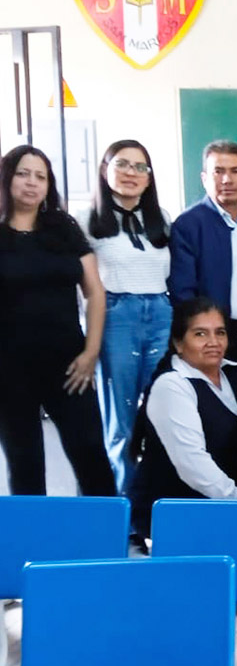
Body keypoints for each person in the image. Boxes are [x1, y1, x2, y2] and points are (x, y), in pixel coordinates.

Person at [0, 145, 115, 496]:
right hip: (9, 368)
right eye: (23, 173)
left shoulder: (63, 228)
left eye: (41, 176)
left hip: (70, 365)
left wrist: (91, 352)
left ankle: (107, 540)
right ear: (7, 179)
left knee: (90, 452)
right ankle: (33, 546)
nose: (32, 183)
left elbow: (94, 292)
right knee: (25, 461)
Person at [127, 297, 237, 537]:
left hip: (227, 501)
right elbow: (193, 466)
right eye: (200, 334)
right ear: (178, 343)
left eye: (220, 332)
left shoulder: (235, 372)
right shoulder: (171, 385)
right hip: (176, 511)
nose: (213, 342)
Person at [81, 140, 173, 493]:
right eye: (122, 164)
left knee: (158, 413)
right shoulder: (87, 220)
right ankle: (125, 511)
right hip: (116, 317)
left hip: (160, 314)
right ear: (105, 170)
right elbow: (84, 290)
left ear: (149, 178)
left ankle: (152, 506)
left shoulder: (161, 218)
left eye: (140, 167)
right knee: (121, 422)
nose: (131, 173)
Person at [169, 140, 237, 393]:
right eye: (218, 171)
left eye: (235, 171)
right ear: (205, 178)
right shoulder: (188, 224)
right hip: (214, 337)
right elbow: (183, 292)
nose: (227, 179)